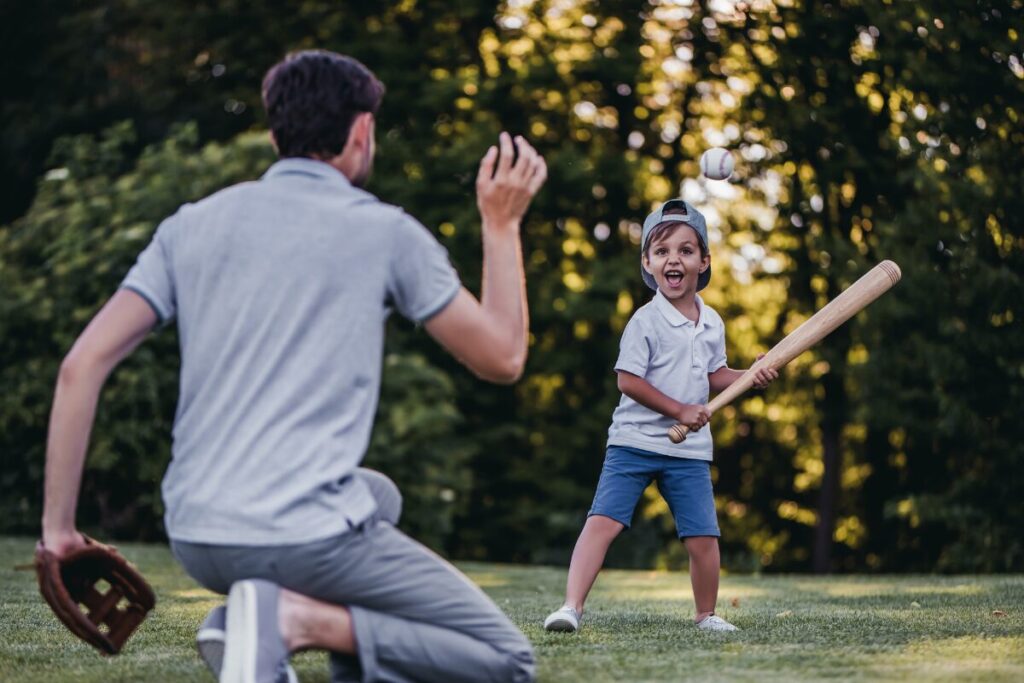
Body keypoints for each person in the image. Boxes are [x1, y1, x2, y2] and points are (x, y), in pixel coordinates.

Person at [40, 49, 546, 683]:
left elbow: (81, 366)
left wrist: (58, 531)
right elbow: (502, 358)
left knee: (378, 496)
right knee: (506, 658)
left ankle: (245, 622)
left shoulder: (189, 226)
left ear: (277, 131)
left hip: (198, 534)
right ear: (362, 131)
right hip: (302, 538)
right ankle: (292, 622)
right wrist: (500, 224)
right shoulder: (385, 232)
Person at [542, 199, 777, 634]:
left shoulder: (712, 322)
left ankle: (706, 615)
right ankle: (570, 607)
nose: (675, 259)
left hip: (688, 450)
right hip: (633, 441)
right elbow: (627, 382)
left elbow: (717, 375)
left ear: (703, 262)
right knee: (603, 523)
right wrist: (680, 410)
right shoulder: (644, 321)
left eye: (687, 251)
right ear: (648, 263)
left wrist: (752, 376)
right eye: (663, 250)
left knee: (703, 537)